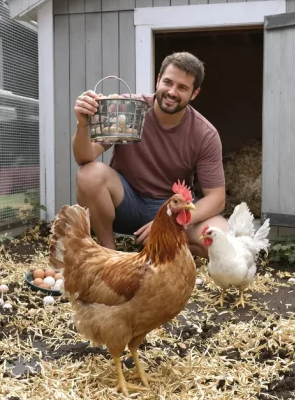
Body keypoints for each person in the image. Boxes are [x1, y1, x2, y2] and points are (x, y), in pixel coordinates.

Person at [71, 51, 227, 258]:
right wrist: (82, 125)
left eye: (182, 87)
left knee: (221, 238)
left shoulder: (205, 134)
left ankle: (161, 250)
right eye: (168, 82)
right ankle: (109, 254)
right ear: (158, 80)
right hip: (125, 203)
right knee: (89, 173)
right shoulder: (129, 110)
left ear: (194, 93)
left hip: (172, 207)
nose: (172, 92)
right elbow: (84, 157)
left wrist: (168, 222)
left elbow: (217, 199)